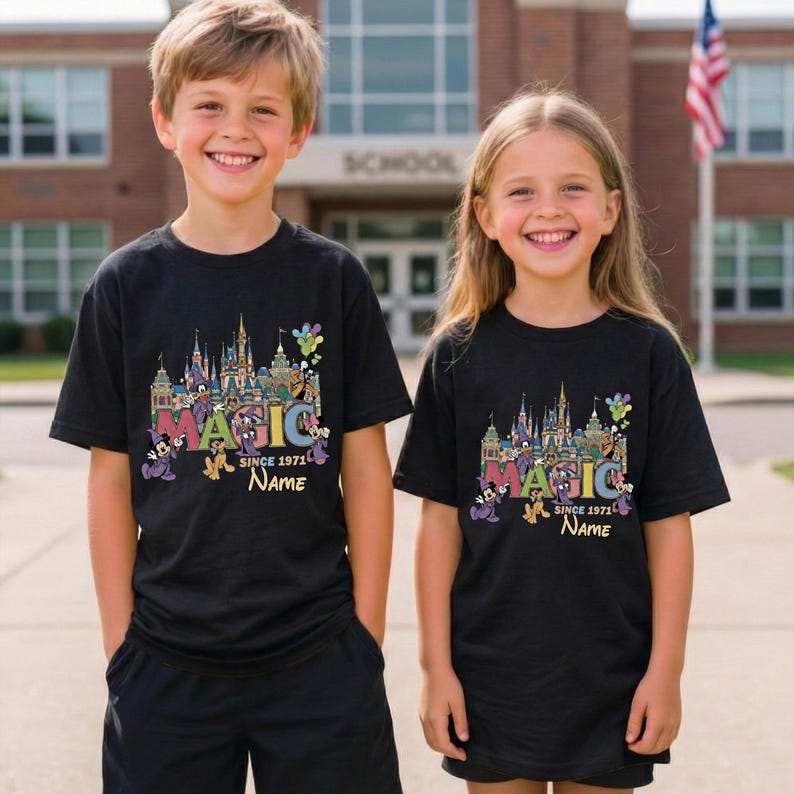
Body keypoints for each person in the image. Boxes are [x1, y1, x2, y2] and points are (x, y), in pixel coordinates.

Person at [49, 2, 411, 792]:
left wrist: (366, 639)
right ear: (165, 122)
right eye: (209, 104)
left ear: (299, 131)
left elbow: (366, 470)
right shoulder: (125, 287)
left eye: (263, 110)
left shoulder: (333, 280)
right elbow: (111, 479)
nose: (234, 128)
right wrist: (122, 648)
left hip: (319, 655)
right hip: (167, 659)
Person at [393, 88, 730, 794]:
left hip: (612, 673)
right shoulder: (457, 356)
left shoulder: (649, 355)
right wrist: (436, 670)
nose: (548, 209)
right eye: (521, 191)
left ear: (610, 210)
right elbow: (439, 524)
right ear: (484, 216)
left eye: (572, 188)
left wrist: (665, 672)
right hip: (491, 672)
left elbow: (669, 528)